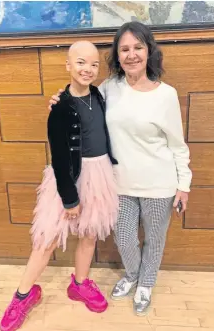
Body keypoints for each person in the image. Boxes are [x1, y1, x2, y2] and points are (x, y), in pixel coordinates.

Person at [48, 22, 192, 316]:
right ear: (117, 55)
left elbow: (178, 144)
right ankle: (133, 274)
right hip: (119, 184)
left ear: (148, 50)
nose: (131, 55)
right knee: (124, 239)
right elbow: (80, 99)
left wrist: (184, 185)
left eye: (138, 47)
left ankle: (145, 283)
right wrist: (59, 100)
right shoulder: (109, 88)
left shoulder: (166, 95)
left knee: (155, 239)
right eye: (124, 49)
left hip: (159, 184)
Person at [0, 41, 119, 331]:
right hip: (70, 177)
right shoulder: (61, 108)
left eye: (93, 64)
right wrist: (69, 198)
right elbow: (59, 156)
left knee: (90, 232)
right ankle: (23, 295)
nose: (87, 69)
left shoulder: (100, 95)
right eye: (80, 62)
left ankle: (79, 283)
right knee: (47, 238)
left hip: (101, 173)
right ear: (68, 65)